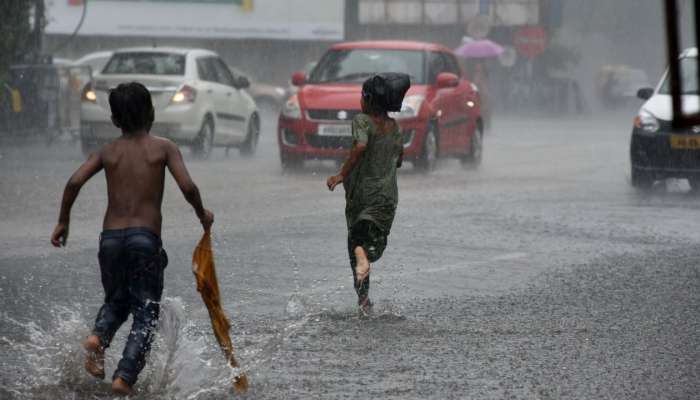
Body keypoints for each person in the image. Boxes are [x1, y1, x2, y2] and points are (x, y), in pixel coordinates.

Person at [50, 82, 214, 396]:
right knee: (146, 310)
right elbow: (188, 187)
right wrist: (201, 213)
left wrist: (63, 221)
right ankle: (124, 377)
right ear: (152, 113)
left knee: (116, 301)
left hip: (110, 239)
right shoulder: (164, 148)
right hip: (145, 240)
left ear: (114, 120)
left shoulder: (107, 151)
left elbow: (73, 182)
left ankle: (98, 338)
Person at [326, 74, 408, 314]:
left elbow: (360, 145)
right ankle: (365, 285)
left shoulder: (362, 121)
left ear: (369, 100)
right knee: (375, 241)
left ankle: (362, 299)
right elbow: (399, 159)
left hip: (364, 194)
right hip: (387, 197)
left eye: (362, 95)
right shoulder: (395, 127)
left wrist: (341, 174)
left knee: (356, 244)